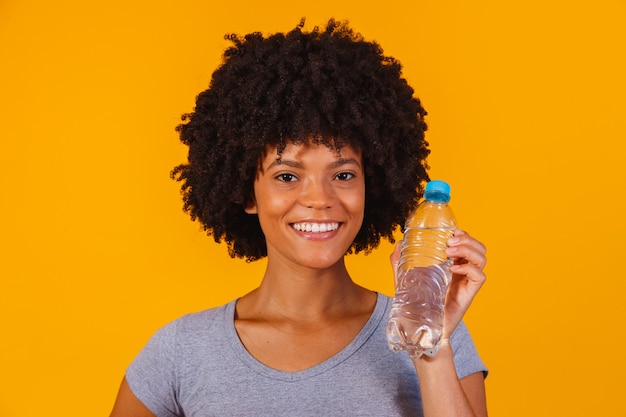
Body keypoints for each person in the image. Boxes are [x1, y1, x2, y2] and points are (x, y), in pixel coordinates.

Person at [110, 18, 488, 417]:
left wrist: (430, 344)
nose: (319, 199)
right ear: (245, 193)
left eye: (343, 175)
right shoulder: (181, 353)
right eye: (287, 176)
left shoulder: (437, 334)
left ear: (369, 186)